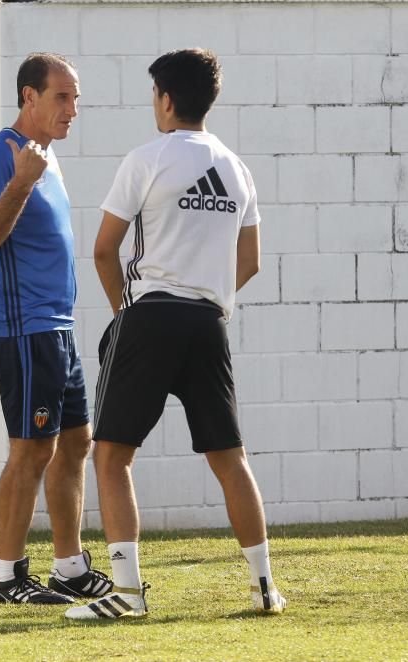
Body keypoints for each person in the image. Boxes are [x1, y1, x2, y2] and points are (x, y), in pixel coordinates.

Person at [65, 48, 287, 620]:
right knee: (230, 457)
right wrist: (208, 292)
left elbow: (103, 250)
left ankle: (129, 594)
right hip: (209, 322)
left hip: (151, 315)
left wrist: (127, 314)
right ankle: (266, 588)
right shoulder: (236, 168)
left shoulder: (147, 158)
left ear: (165, 99)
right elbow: (252, 261)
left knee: (111, 455)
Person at [0, 52, 113, 604]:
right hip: (23, 330)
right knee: (31, 451)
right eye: (61, 97)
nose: (72, 109)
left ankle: (69, 567)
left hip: (56, 329)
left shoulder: (46, 157)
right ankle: (6, 577)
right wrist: (22, 183)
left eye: (74, 97)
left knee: (75, 443)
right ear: (29, 97)